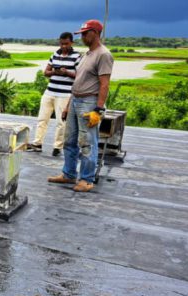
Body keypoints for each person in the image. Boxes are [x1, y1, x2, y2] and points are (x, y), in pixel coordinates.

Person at [48, 20, 113, 192]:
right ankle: (69, 174)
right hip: (76, 100)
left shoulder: (103, 54)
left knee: (87, 143)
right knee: (69, 140)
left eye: (85, 33)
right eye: (81, 34)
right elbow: (77, 81)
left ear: (95, 33)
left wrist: (98, 109)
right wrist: (69, 105)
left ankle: (86, 179)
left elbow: (104, 84)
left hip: (89, 103)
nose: (82, 37)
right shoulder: (86, 54)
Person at [27, 32, 81, 157]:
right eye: (61, 44)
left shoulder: (77, 57)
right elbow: (46, 72)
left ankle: (57, 146)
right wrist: (55, 72)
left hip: (64, 94)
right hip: (50, 91)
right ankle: (37, 144)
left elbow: (80, 75)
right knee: (42, 119)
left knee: (61, 122)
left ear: (72, 43)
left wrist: (66, 72)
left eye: (66, 44)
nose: (63, 46)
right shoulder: (55, 54)